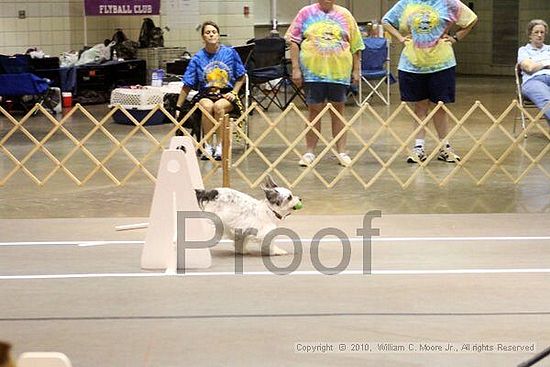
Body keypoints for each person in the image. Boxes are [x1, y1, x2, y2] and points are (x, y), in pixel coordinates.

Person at [382, 0, 478, 163]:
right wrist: (400, 38)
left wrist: (455, 38)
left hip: (441, 62)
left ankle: (444, 147)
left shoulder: (448, 2)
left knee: (440, 106)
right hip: (414, 63)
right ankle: (418, 148)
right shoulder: (407, 3)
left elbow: (471, 19)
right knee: (420, 106)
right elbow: (386, 21)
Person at [286, 0, 364, 167]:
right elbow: (293, 41)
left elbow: (356, 46)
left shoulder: (345, 15)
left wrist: (356, 70)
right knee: (314, 111)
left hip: (339, 72)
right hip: (313, 73)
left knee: (338, 111)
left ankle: (342, 152)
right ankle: (309, 152)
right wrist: (295, 68)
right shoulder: (306, 12)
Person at [174, 21, 246, 160]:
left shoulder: (230, 53)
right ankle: (207, 145)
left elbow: (241, 76)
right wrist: (178, 106)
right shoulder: (197, 58)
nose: (211, 34)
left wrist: (234, 93)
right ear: (203, 38)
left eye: (214, 32)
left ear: (218, 35)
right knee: (207, 106)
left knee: (219, 107)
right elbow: (187, 84)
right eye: (207, 32)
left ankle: (219, 146)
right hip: (206, 93)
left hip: (227, 93)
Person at [517, 19, 550, 127]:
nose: (539, 35)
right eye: (536, 32)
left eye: (542, 32)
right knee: (547, 99)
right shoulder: (524, 50)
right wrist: (546, 63)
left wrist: (538, 64)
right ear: (530, 35)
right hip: (533, 81)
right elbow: (529, 67)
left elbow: (534, 65)